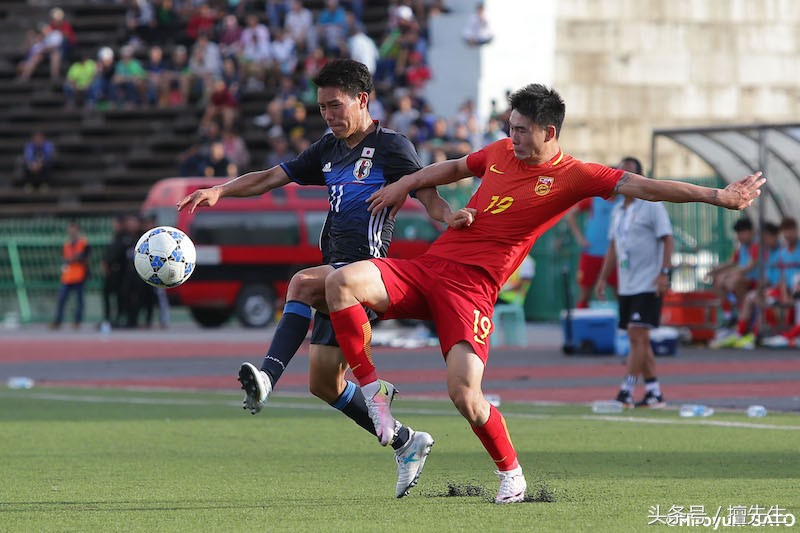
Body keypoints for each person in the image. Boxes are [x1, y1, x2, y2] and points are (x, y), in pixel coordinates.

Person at [322, 83, 764, 503]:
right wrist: (405, 184)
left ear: (549, 131)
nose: (511, 137)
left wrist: (717, 196)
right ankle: (374, 394)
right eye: (509, 127)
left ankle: (511, 474)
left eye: (520, 130)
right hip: (429, 269)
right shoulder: (498, 152)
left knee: (465, 396)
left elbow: (645, 187)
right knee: (339, 282)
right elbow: (453, 168)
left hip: (472, 291)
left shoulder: (574, 175)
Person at [177, 58, 466, 498]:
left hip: (364, 273)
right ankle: (408, 442)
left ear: (362, 100)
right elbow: (273, 176)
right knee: (323, 384)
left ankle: (268, 377)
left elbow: (427, 194)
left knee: (299, 283)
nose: (329, 115)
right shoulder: (328, 149)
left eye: (335, 105)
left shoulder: (391, 146)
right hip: (335, 275)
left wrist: (450, 218)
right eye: (322, 108)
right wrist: (221, 189)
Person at [595, 169, 674, 407]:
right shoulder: (618, 210)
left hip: (648, 280)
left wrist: (664, 273)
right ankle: (654, 391)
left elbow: (667, 238)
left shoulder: (652, 206)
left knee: (636, 333)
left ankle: (626, 389)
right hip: (627, 283)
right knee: (640, 338)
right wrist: (602, 278)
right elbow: (613, 247)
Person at [711, 222, 782, 349]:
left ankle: (750, 332)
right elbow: (733, 262)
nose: (740, 236)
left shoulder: (760, 247)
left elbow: (751, 266)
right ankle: (732, 319)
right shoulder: (743, 247)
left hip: (757, 285)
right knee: (720, 280)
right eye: (738, 233)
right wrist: (716, 270)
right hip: (761, 287)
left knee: (740, 287)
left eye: (743, 232)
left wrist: (729, 275)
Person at [564, 167, 623, 308]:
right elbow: (571, 215)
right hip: (592, 253)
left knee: (620, 294)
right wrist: (580, 238)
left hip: (615, 256)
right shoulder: (594, 199)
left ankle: (622, 327)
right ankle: (582, 327)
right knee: (584, 295)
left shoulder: (624, 200)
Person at [51, 220, 90, 330]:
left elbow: (85, 257)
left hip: (79, 275)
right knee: (62, 298)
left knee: (79, 300)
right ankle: (58, 320)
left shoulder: (83, 243)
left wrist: (75, 258)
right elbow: (66, 259)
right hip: (67, 276)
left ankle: (77, 321)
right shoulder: (67, 244)